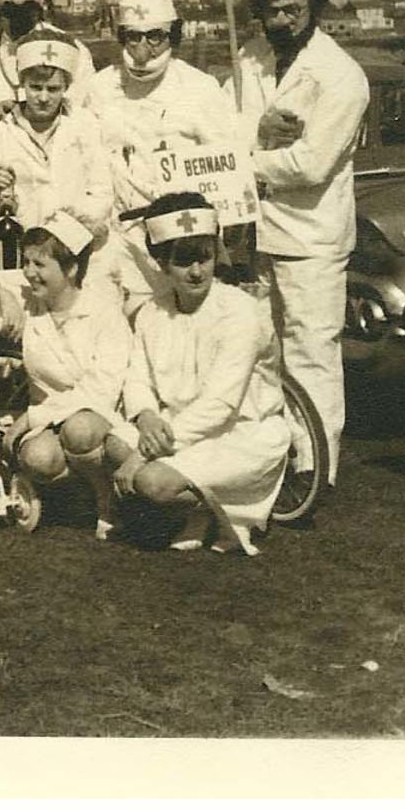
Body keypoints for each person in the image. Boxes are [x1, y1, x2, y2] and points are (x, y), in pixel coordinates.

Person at [227, 0, 369, 486]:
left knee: (311, 350)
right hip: (257, 232)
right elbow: (224, 127)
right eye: (272, 11)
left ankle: (316, 466)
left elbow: (310, 164)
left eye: (293, 9)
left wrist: (246, 163)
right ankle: (277, 452)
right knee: (263, 348)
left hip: (312, 236)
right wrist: (255, 132)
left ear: (313, 6)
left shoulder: (340, 75)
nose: (282, 21)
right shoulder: (250, 58)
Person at [113, 193, 292, 554]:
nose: (196, 272)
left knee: (151, 482)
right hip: (171, 426)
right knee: (109, 442)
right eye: (183, 261)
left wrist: (143, 454)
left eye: (204, 258)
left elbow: (220, 405)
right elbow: (138, 377)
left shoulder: (240, 311)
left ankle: (208, 510)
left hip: (242, 433)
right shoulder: (152, 312)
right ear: (161, 263)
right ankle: (197, 503)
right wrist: (146, 417)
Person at [81, 0, 236, 312]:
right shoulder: (99, 88)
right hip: (117, 236)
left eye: (155, 37)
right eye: (133, 38)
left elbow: (229, 167)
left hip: (180, 239)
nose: (142, 50)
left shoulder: (200, 89)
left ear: (172, 36)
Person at [7, 212, 135, 541]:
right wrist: (2, 295)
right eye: (26, 262)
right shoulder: (29, 301)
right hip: (50, 422)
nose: (28, 273)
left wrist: (31, 417)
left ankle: (107, 499)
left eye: (40, 265)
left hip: (97, 416)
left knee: (79, 429)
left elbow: (102, 390)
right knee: (37, 458)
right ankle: (82, 495)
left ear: (71, 269)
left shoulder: (104, 311)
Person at [0, 26, 113, 243]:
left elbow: (101, 192)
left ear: (66, 86)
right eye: (35, 87)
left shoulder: (84, 124)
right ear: (22, 83)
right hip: (24, 244)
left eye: (53, 89)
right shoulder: (2, 130)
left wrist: (69, 231)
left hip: (76, 243)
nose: (43, 98)